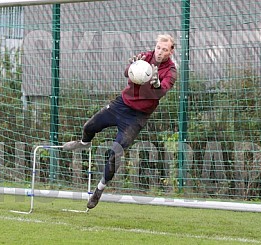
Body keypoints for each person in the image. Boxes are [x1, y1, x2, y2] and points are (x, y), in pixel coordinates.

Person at [63, 34, 177, 210]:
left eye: (164, 49)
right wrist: (132, 65)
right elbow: (126, 73)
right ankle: (84, 143)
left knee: (115, 153)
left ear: (171, 51)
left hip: (137, 116)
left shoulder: (171, 70)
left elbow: (162, 91)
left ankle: (99, 190)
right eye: (158, 48)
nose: (160, 52)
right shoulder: (144, 57)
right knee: (89, 126)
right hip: (121, 105)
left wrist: (155, 83)